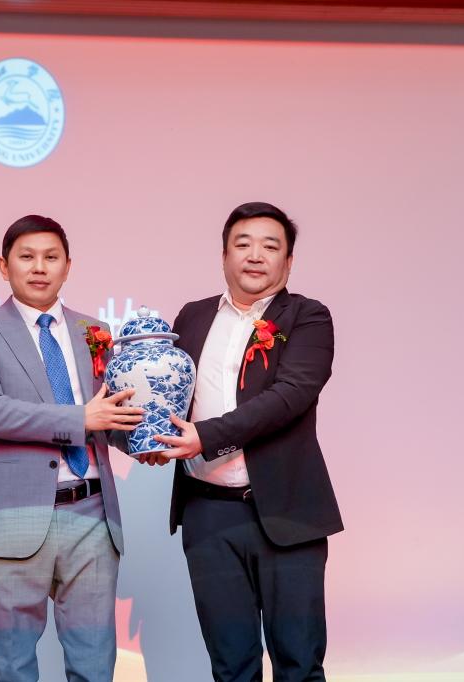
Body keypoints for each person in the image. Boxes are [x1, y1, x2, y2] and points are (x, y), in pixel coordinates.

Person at [153, 201, 344, 682]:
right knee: (231, 667)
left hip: (287, 511)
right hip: (208, 513)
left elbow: (290, 396)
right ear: (224, 256)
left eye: (269, 246)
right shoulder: (193, 316)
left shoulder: (308, 316)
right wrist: (141, 436)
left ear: (288, 261)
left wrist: (205, 437)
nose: (255, 255)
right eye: (243, 244)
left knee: (299, 664)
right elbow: (169, 392)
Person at [0, 214, 143, 682]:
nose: (39, 267)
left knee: (95, 666)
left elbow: (107, 414)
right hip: (12, 516)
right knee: (11, 666)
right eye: (27, 257)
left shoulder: (95, 330)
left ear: (67, 266)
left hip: (92, 515)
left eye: (51, 257)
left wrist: (147, 442)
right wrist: (81, 419)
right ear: (4, 266)